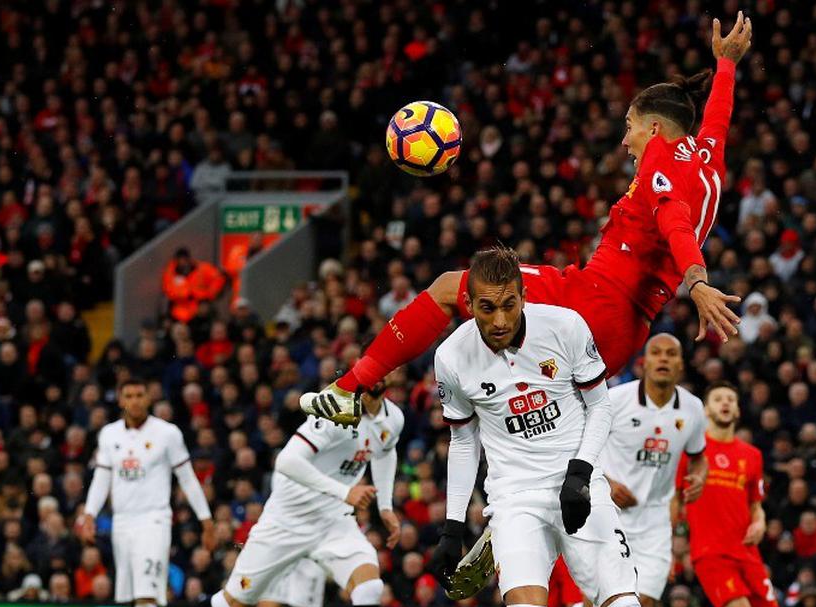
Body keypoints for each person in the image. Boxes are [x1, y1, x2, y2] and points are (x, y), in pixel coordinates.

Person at [301, 12, 755, 426]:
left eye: (629, 125)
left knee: (449, 288)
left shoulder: (660, 156)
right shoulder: (708, 160)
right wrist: (726, 66)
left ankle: (349, 388)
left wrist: (697, 281)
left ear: (653, 129)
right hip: (625, 333)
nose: (624, 140)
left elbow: (673, 218)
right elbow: (718, 119)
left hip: (593, 303)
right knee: (540, 435)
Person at [425, 247, 646, 607]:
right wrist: (452, 527)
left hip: (579, 484)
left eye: (510, 304)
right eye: (487, 308)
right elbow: (464, 442)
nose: (500, 319)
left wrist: (581, 472)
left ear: (524, 296)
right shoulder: (451, 357)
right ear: (469, 304)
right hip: (515, 496)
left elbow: (599, 406)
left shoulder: (565, 326)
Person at [133, 383, 405, 607]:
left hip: (334, 521)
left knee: (370, 588)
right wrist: (344, 491)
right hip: (286, 521)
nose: (387, 369)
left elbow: (385, 452)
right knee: (232, 604)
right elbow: (287, 461)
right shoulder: (336, 408)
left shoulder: (394, 418)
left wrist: (385, 506)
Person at [524, 333, 709, 607]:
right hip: (609, 513)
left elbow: (699, 457)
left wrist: (700, 478)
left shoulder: (692, 408)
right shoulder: (617, 399)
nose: (663, 359)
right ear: (644, 362)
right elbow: (578, 441)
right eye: (656, 352)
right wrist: (606, 480)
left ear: (680, 365)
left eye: (671, 354)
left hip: (655, 520)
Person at [79, 380, 216, 607]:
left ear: (148, 398)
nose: (135, 401)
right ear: (121, 400)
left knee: (145, 597)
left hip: (154, 521)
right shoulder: (109, 434)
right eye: (129, 395)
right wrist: (89, 515)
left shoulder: (167, 433)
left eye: (140, 395)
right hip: (122, 523)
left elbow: (187, 478)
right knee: (135, 600)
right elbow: (101, 478)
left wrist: (206, 521)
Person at [680, 381, 781, 607]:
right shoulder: (691, 452)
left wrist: (760, 522)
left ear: (737, 410)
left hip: (747, 552)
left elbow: (756, 504)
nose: (725, 403)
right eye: (718, 399)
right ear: (707, 409)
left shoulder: (752, 456)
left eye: (731, 399)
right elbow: (672, 497)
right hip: (710, 552)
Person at [161, 247, 226, 323]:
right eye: (180, 260)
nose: (183, 263)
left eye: (185, 259)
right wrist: (186, 293)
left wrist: (208, 295)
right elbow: (169, 291)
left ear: (189, 259)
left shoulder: (201, 268)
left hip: (199, 308)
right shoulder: (170, 274)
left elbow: (218, 278)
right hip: (179, 312)